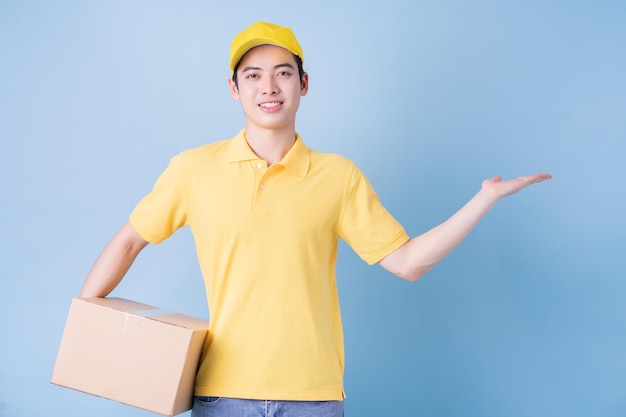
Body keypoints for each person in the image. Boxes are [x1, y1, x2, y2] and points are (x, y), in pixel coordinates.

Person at [79, 21, 551, 417]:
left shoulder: (337, 176)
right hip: (221, 393)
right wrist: (87, 324)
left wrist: (483, 199)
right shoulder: (192, 169)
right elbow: (127, 243)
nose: (268, 87)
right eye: (253, 76)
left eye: (283, 74)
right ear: (233, 87)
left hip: (313, 398)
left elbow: (407, 263)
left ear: (303, 84)